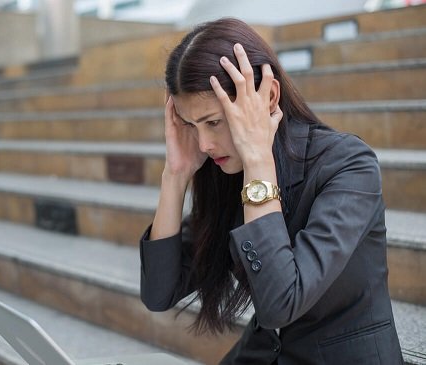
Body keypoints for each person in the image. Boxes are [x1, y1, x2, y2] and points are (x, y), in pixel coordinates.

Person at [139, 18, 403, 364]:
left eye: (214, 122)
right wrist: (175, 175)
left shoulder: (348, 165)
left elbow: (281, 303)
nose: (203, 144)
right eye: (192, 125)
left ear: (269, 97)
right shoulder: (226, 172)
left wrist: (258, 160)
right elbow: (159, 292)